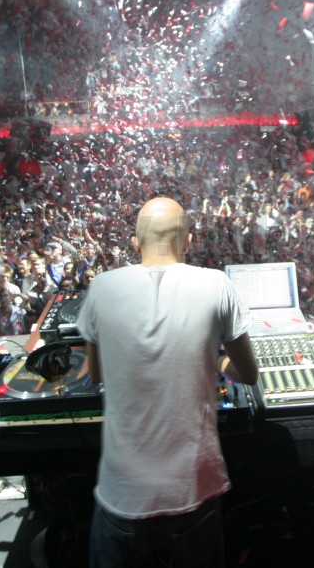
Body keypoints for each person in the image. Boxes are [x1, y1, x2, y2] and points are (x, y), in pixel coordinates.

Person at [66, 197, 259, 568]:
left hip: (123, 494)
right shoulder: (217, 284)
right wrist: (215, 359)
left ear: (135, 243)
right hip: (194, 489)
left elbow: (96, 373)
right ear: (188, 241)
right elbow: (248, 375)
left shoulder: (103, 287)